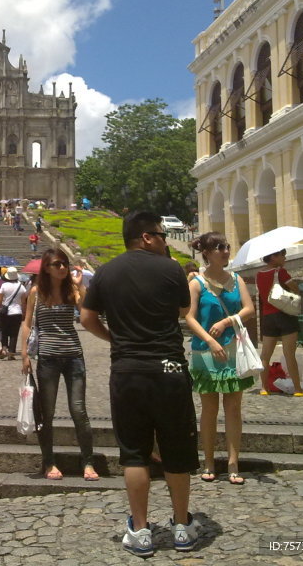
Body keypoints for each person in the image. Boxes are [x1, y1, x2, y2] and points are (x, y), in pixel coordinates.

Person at [81, 211, 201, 556]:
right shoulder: (171, 269)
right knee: (177, 451)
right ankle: (181, 526)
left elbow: (87, 317)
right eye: (161, 234)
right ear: (146, 237)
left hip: (128, 369)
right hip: (169, 369)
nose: (165, 240)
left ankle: (141, 529)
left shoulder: (105, 272)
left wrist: (115, 338)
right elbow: (182, 310)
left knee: (134, 454)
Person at [185, 232, 256, 485]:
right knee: (209, 409)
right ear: (206, 252)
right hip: (205, 352)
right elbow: (190, 317)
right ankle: (209, 461)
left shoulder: (237, 279)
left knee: (234, 408)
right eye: (219, 247)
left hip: (233, 350)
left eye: (226, 246)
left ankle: (233, 462)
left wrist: (227, 321)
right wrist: (211, 339)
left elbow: (249, 309)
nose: (225, 251)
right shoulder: (196, 283)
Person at [20, 248, 96, 482]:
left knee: (79, 410)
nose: (62, 268)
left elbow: (88, 313)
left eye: (65, 263)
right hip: (48, 358)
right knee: (47, 413)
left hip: (73, 355)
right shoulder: (35, 292)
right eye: (57, 264)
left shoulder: (72, 290)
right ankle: (49, 462)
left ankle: (88, 461)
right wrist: (24, 355)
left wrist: (80, 285)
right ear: (46, 268)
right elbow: (27, 323)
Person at [255, 249, 303, 396]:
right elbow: (295, 288)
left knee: (265, 355)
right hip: (285, 314)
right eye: (282, 255)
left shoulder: (259, 275)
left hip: (268, 316)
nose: (284, 258)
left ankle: (264, 388)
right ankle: (298, 389)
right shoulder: (280, 272)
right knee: (289, 354)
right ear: (273, 256)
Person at [0, 267, 27, 360]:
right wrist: (24, 313)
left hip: (5, 312)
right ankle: (11, 353)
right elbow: (23, 302)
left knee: (4, 331)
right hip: (17, 312)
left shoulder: (4, 285)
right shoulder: (21, 287)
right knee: (14, 333)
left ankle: (4, 348)